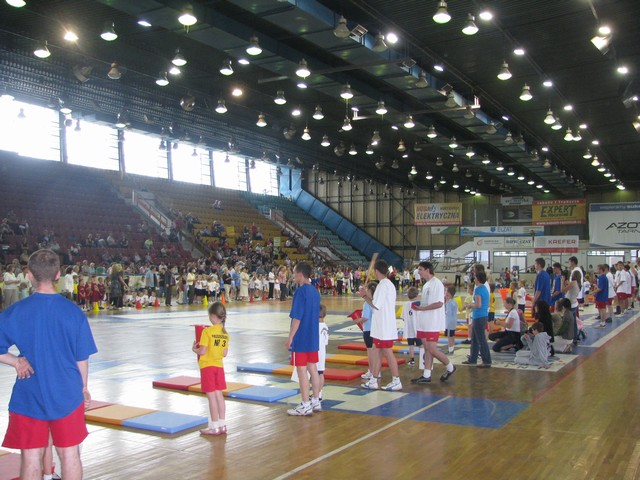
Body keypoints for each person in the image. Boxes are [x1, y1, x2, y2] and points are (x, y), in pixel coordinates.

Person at [0, 249, 97, 480]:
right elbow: (81, 358)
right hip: (66, 393)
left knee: (31, 457)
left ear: (30, 276)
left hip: (29, 393)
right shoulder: (74, 313)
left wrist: (15, 361)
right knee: (70, 455)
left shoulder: (15, 311)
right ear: (57, 275)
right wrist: (83, 387)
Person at [359, 259, 403, 391]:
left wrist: (364, 296)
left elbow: (375, 305)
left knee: (387, 353)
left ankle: (396, 380)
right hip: (380, 326)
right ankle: (373, 380)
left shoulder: (383, 285)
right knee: (376, 351)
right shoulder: (385, 284)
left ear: (376, 271)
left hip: (384, 326)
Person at [286, 262, 322, 415]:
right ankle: (316, 400)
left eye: (294, 273)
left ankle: (305, 404)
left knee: (301, 369)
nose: (293, 276)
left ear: (300, 274)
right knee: (313, 368)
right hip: (313, 336)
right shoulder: (315, 292)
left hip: (301, 337)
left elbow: (297, 318)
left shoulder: (300, 292)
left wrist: (290, 337)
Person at [411, 261, 456, 382]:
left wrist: (422, 308)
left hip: (432, 322)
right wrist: (419, 307)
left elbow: (439, 303)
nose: (419, 272)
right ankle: (426, 375)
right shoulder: (426, 285)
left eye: (420, 269)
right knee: (426, 348)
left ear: (427, 270)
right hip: (424, 321)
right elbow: (427, 302)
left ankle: (450, 367)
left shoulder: (437, 283)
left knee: (432, 349)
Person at [193, 302, 229, 435]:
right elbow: (224, 353)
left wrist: (194, 349)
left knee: (211, 397)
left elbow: (202, 351)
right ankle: (222, 425)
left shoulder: (207, 331)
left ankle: (214, 426)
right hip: (219, 367)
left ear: (213, 316)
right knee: (219, 395)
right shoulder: (225, 334)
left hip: (207, 367)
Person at [463, 270, 492, 367]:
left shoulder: (478, 290)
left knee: (481, 339)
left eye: (475, 278)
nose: (474, 279)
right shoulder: (484, 288)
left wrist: (470, 305)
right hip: (482, 315)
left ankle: (487, 361)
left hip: (479, 316)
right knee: (475, 339)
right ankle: (473, 358)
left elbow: (478, 304)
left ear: (478, 279)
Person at [351, 281, 378, 382]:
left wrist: (357, 320)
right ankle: (376, 371)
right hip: (375, 329)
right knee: (375, 352)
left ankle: (371, 371)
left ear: (370, 291)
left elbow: (365, 318)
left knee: (370, 352)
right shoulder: (376, 302)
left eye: (367, 289)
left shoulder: (367, 303)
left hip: (368, 330)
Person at [401, 287, 421, 366]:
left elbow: (403, 317)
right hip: (417, 328)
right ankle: (423, 359)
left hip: (409, 329)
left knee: (411, 345)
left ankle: (412, 360)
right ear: (416, 295)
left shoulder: (406, 304)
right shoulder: (418, 304)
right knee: (421, 345)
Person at [317, 304, 329, 401]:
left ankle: (316, 394)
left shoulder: (315, 326)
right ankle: (319, 393)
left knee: (315, 374)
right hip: (322, 352)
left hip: (315, 351)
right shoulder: (325, 326)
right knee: (320, 373)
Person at [444, 286, 458, 355]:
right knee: (452, 336)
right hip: (453, 321)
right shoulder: (454, 302)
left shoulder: (449, 303)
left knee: (450, 336)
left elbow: (448, 312)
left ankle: (450, 349)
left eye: (446, 291)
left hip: (449, 322)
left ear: (449, 293)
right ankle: (451, 349)